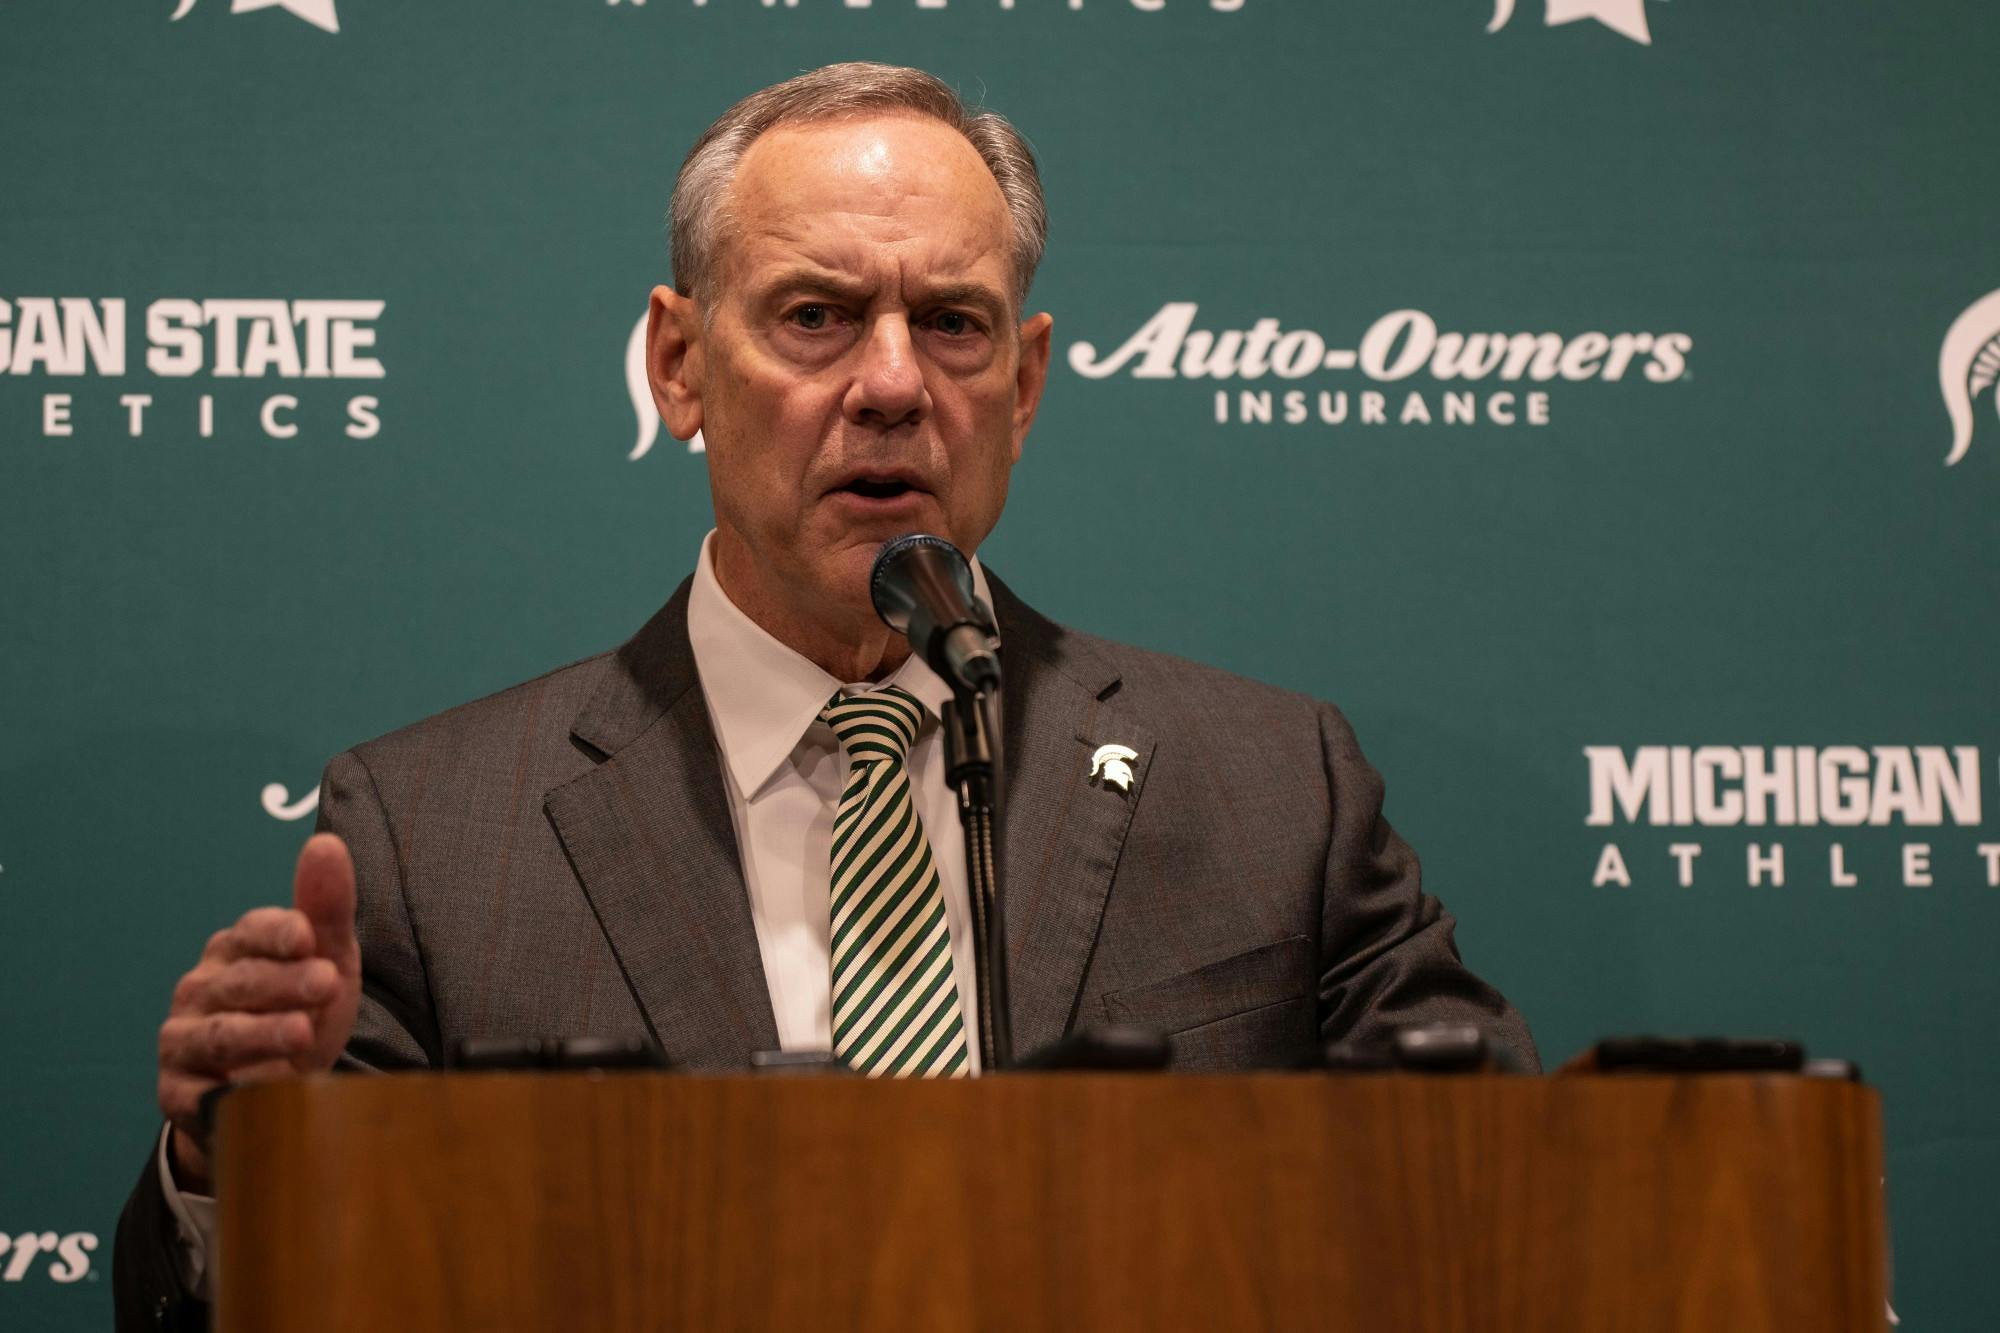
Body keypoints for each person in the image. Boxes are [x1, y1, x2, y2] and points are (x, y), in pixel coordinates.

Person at [114, 62, 1536, 1330]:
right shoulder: (430, 836)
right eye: (817, 315)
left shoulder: (1275, 785)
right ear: (677, 363)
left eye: (958, 326)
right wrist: (228, 1165)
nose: (895, 383)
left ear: (1028, 383)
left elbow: (1502, 1217)